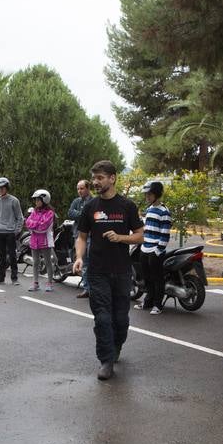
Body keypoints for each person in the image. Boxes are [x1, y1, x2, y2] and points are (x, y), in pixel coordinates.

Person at [72, 160, 143, 381]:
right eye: (94, 178)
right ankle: (106, 360)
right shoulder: (90, 207)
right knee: (102, 317)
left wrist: (121, 237)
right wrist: (79, 257)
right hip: (97, 271)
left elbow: (140, 235)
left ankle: (116, 346)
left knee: (120, 318)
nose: (95, 182)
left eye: (100, 178)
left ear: (112, 178)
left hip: (122, 271)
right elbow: (82, 236)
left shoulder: (127, 206)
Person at [139, 181, 172, 315]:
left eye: (150, 194)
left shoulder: (164, 212)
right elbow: (146, 228)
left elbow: (165, 234)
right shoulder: (149, 209)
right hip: (145, 248)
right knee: (147, 278)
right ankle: (148, 301)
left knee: (157, 279)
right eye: (146, 194)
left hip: (155, 250)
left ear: (156, 194)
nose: (147, 196)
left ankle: (158, 305)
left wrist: (158, 250)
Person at [0, 176, 23, 284]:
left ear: (7, 187)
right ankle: (0, 277)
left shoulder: (14, 200)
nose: (1, 190)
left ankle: (14, 278)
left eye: (3, 187)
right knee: (2, 256)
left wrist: (16, 231)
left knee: (12, 256)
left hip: (10, 232)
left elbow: (20, 217)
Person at [24, 189, 57, 293]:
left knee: (48, 262)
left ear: (44, 200)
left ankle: (50, 283)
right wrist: (36, 224)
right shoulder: (34, 211)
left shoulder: (50, 213)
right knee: (35, 262)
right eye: (36, 200)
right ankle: (35, 283)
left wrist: (35, 225)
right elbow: (28, 223)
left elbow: (43, 227)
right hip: (34, 240)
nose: (36, 202)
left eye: (38, 200)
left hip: (45, 240)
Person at [67, 179, 93, 298]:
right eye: (78, 188)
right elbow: (70, 213)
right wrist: (83, 215)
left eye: (82, 188)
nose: (79, 191)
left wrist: (81, 215)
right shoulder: (76, 201)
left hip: (91, 236)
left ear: (88, 188)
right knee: (84, 262)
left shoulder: (94, 201)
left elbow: (91, 217)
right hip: (78, 235)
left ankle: (92, 288)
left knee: (91, 262)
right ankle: (87, 288)